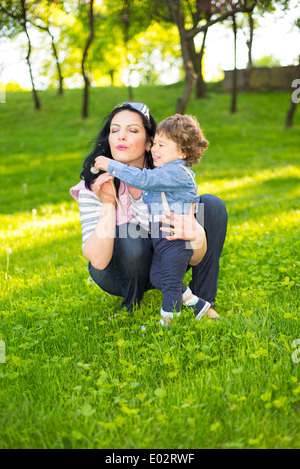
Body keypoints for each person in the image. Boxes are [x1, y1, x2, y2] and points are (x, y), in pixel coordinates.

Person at [70, 102, 227, 320]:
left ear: (149, 144)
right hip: (118, 271)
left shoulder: (165, 175)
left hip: (167, 258)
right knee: (130, 232)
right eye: (114, 131)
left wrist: (197, 235)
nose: (120, 137)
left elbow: (193, 255)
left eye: (132, 130)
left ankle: (200, 300)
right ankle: (132, 304)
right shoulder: (93, 185)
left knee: (212, 206)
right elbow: (98, 261)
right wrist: (108, 203)